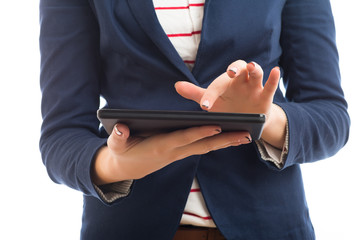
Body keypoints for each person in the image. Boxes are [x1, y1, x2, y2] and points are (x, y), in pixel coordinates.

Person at [39, 0, 350, 239]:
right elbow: (61, 136)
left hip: (267, 225)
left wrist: (264, 118)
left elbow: (331, 117)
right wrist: (115, 166)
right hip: (129, 226)